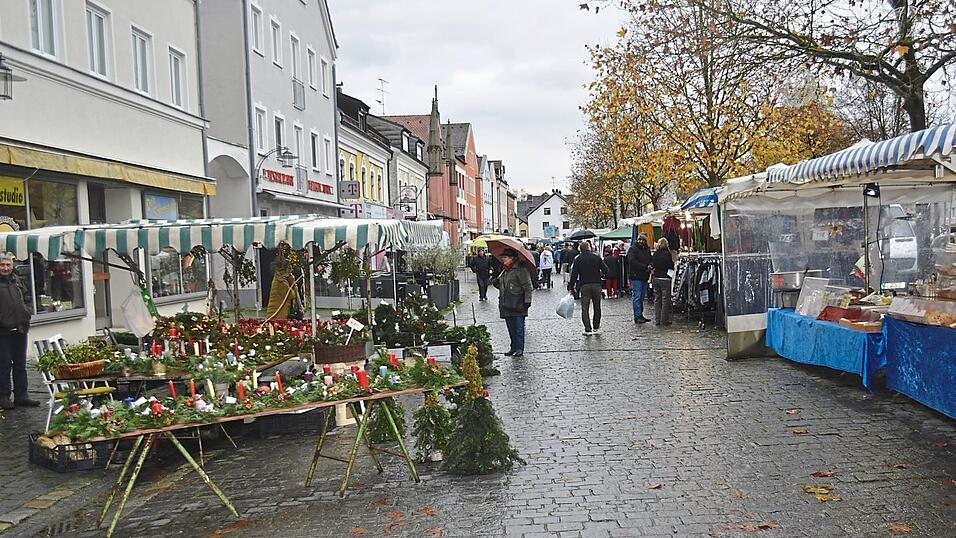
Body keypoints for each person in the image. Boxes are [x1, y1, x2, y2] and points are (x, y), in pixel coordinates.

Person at [0, 253, 39, 409]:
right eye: (2, 265)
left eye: (8, 265)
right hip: (3, 331)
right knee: (3, 365)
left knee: (20, 364)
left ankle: (21, 396)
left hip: (20, 328)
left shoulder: (17, 280)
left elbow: (27, 297)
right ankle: (3, 396)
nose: (5, 268)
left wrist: (27, 312)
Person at [492, 249, 533, 357]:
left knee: (519, 327)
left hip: (518, 302)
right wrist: (496, 283)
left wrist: (527, 301)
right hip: (506, 303)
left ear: (512, 258)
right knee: (510, 327)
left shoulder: (520, 270)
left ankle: (519, 348)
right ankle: (513, 347)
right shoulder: (504, 270)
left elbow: (528, 286)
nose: (503, 259)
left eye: (505, 258)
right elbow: (503, 287)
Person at [567, 242, 608, 336]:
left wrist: (571, 287)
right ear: (589, 248)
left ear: (580, 249)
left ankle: (588, 329)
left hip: (584, 285)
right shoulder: (596, 257)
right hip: (596, 284)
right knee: (597, 306)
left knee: (585, 308)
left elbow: (574, 275)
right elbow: (606, 270)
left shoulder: (578, 259)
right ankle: (596, 327)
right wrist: (600, 273)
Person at [626, 233, 653, 323]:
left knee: (641, 297)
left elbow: (650, 259)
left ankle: (640, 314)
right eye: (640, 239)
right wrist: (645, 267)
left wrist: (650, 265)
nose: (641, 241)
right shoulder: (633, 249)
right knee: (637, 297)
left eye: (643, 240)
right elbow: (632, 261)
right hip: (636, 276)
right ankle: (637, 316)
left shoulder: (647, 249)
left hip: (644, 276)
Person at [651, 238, 675, 326]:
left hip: (656, 277)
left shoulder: (655, 254)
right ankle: (664, 319)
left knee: (657, 299)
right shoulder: (667, 254)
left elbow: (653, 264)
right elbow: (670, 265)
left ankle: (657, 319)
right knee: (666, 299)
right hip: (665, 278)